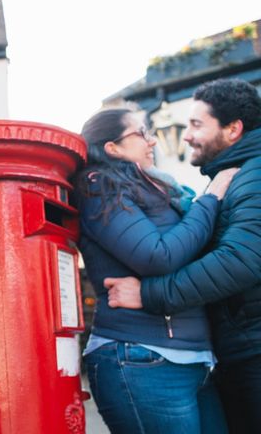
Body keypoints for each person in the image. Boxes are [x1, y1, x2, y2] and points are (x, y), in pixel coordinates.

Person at [105, 78, 261, 433]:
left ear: (233, 129)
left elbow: (241, 260)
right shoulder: (233, 175)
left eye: (196, 124)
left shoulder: (254, 175)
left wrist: (148, 294)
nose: (187, 135)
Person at [74, 107, 237, 434]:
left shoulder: (161, 188)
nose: (151, 141)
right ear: (113, 148)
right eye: (141, 133)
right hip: (141, 356)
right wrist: (212, 197)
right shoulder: (99, 185)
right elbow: (157, 256)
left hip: (194, 358)